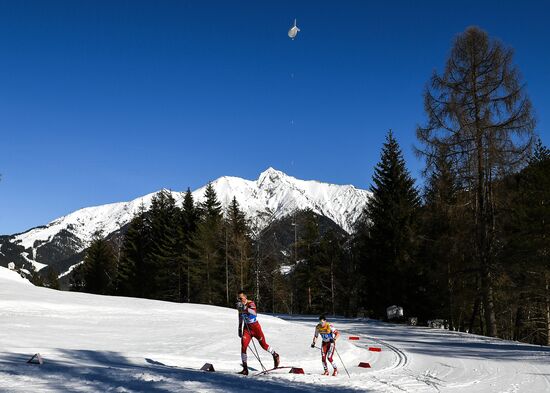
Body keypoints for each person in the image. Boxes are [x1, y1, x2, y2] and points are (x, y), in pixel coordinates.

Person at [237, 290, 280, 375]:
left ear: (245, 297)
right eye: (238, 298)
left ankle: (275, 355)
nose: (239, 300)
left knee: (263, 345)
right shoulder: (239, 305)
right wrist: (239, 328)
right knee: (243, 346)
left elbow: (254, 313)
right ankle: (245, 369)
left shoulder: (251, 303)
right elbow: (240, 316)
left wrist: (245, 308)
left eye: (241, 298)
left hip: (255, 328)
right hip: (247, 329)